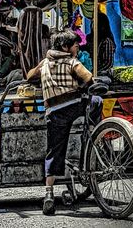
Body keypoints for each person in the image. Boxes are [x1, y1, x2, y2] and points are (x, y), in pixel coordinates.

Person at [27, 30, 102, 215]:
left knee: (54, 150)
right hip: (75, 107)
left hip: (54, 112)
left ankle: (49, 194)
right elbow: (88, 78)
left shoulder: (45, 62)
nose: (77, 47)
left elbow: (29, 76)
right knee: (97, 101)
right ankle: (93, 132)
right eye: (75, 44)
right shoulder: (72, 62)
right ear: (64, 47)